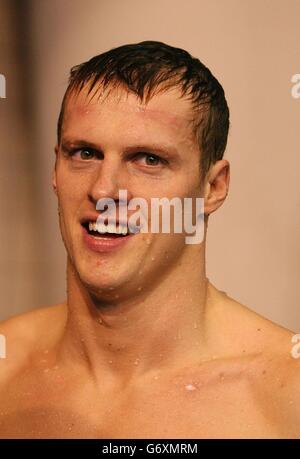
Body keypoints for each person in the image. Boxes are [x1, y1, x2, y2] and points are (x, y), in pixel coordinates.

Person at [0, 41, 299, 439]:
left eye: (148, 159)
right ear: (55, 168)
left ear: (212, 187)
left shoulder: (284, 394)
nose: (104, 191)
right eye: (84, 153)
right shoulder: (7, 366)